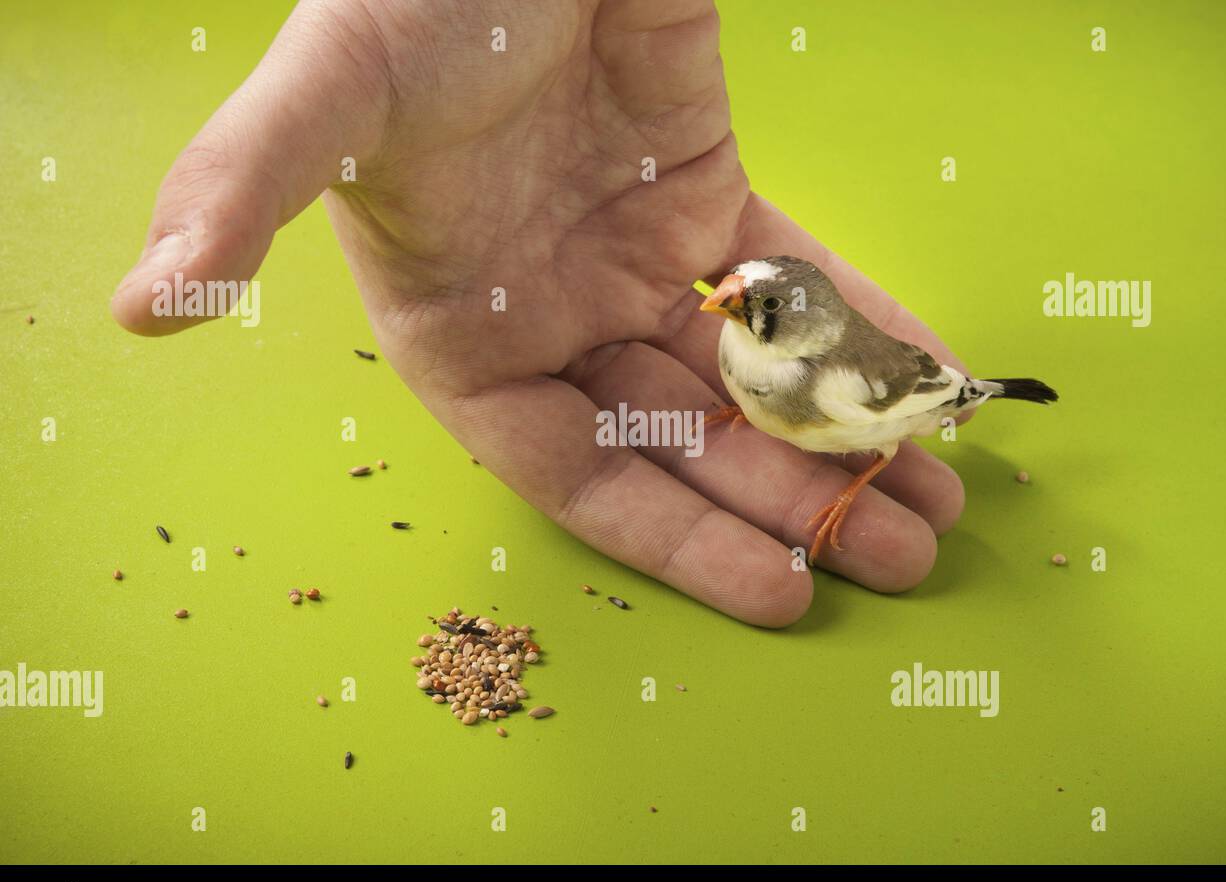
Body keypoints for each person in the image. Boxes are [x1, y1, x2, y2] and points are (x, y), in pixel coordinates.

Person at [111, 0, 967, 627]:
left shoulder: (833, 376)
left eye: (751, 304)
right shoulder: (733, 341)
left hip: (884, 403)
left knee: (872, 461)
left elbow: (875, 423)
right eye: (733, 290)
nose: (722, 302)